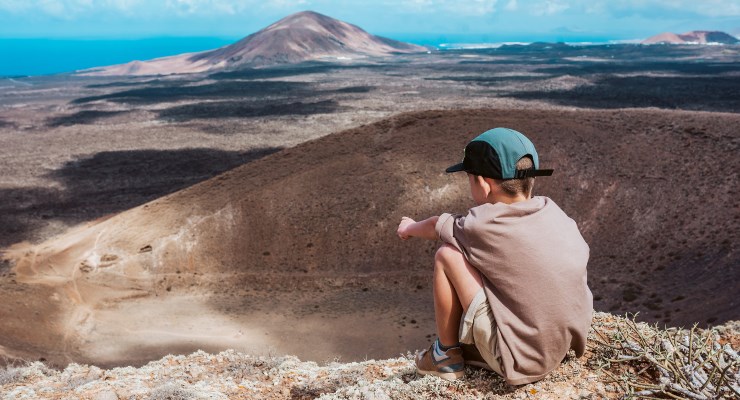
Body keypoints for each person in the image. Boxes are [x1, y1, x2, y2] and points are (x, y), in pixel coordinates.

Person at [396, 127, 592, 385]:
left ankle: (445, 356)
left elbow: (436, 225)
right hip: (563, 345)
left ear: (483, 183)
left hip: (523, 361)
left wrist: (407, 227)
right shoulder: (555, 214)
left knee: (448, 255)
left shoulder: (482, 223)